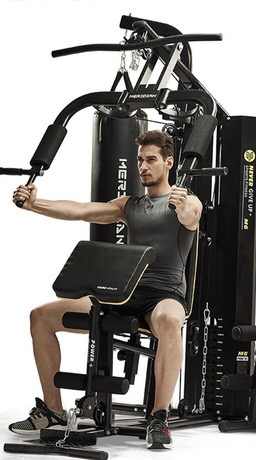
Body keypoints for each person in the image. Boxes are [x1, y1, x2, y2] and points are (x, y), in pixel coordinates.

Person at [9, 130, 202, 449]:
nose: (143, 166)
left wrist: (183, 208)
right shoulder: (130, 205)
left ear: (169, 162)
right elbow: (81, 210)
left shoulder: (185, 201)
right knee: (40, 317)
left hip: (163, 296)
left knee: (170, 320)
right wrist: (35, 204)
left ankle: (158, 416)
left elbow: (191, 215)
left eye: (151, 159)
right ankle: (53, 410)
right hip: (122, 291)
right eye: (140, 160)